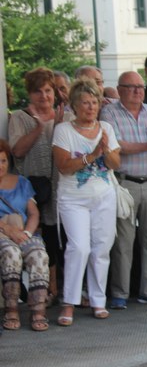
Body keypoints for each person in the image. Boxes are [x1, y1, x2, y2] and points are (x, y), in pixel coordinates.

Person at [52, 78, 121, 325]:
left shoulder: (106, 128)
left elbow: (115, 165)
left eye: (94, 102)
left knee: (101, 247)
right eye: (85, 103)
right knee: (79, 248)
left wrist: (107, 150)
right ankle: (69, 303)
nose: (91, 107)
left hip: (104, 195)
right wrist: (92, 156)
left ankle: (98, 301)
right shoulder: (63, 130)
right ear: (74, 106)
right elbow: (63, 167)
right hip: (73, 199)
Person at [101, 71, 147, 308]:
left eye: (140, 87)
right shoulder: (110, 112)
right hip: (126, 182)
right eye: (131, 87)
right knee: (124, 241)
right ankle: (120, 293)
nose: (137, 91)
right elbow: (116, 146)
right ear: (120, 89)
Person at [9, 67, 73, 308]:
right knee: (44, 241)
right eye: (38, 92)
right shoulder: (20, 117)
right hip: (35, 192)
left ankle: (67, 290)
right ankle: (47, 290)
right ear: (30, 94)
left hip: (63, 189)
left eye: (48, 91)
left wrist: (60, 122)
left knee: (65, 241)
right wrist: (39, 127)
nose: (44, 96)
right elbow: (17, 151)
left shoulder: (65, 116)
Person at [0, 139, 50, 332]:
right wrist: (9, 229)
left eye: (3, 161)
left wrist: (27, 233)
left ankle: (38, 309)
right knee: (11, 253)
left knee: (38, 253)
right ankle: (11, 308)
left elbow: (34, 213)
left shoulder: (22, 182)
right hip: (3, 233)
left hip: (23, 231)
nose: (1, 165)